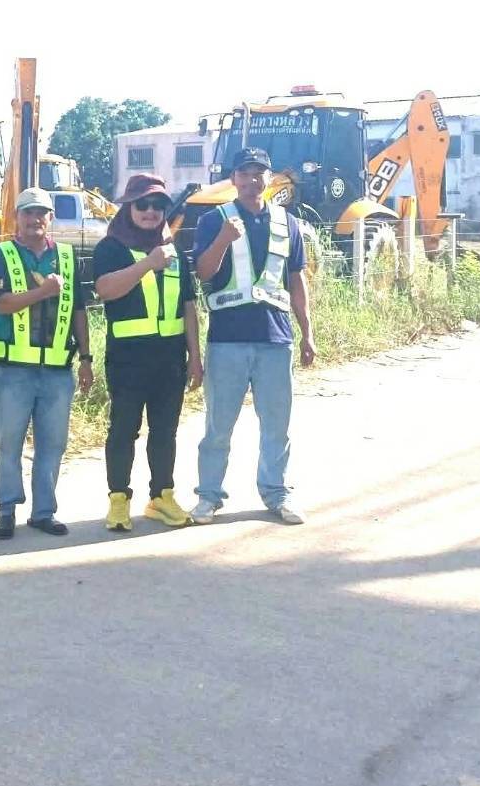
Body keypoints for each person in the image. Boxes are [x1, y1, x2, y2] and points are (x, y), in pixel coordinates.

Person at [190, 147, 315, 526]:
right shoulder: (214, 220)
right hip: (227, 340)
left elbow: (296, 280)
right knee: (218, 427)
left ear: (269, 178)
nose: (251, 180)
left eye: (258, 173)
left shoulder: (287, 223)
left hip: (276, 339)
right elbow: (203, 272)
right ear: (233, 179)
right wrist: (223, 240)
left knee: (277, 425)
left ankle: (277, 493)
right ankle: (208, 496)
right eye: (244, 173)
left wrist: (307, 333)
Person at [92, 175, 203, 531]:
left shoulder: (174, 252)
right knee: (123, 431)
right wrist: (147, 264)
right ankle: (119, 500)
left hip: (170, 360)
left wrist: (195, 356)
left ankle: (161, 497)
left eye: (158, 205)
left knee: (165, 432)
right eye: (142, 204)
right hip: (128, 360)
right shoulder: (111, 248)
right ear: (129, 207)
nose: (151, 211)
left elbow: (188, 305)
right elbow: (105, 290)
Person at [0, 186, 93, 539]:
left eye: (41, 212)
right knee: (8, 443)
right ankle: (6, 510)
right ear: (17, 217)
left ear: (50, 217)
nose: (34, 219)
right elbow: (1, 304)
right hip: (13, 370)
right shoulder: (0, 254)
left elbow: (79, 310)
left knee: (53, 444)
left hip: (58, 371)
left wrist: (86, 357)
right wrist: (43, 292)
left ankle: (44, 512)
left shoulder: (67, 257)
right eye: (28, 212)